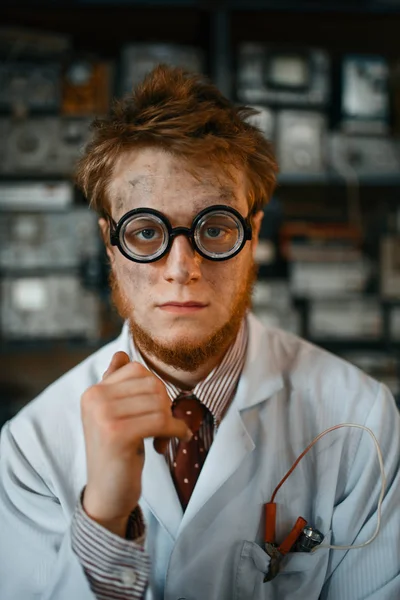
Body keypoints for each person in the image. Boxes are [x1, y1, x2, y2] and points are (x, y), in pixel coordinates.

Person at [0, 65, 399, 600]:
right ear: (110, 244)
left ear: (252, 233)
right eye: (146, 232)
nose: (181, 266)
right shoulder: (31, 447)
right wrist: (104, 520)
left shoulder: (362, 420)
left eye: (214, 228)